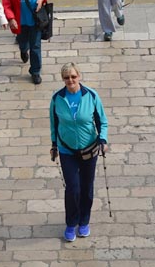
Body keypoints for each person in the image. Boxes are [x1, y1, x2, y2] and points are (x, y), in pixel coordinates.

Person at [50, 62, 108, 241]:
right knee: (73, 188)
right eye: (66, 77)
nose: (70, 80)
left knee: (86, 188)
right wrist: (54, 145)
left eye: (73, 77)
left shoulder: (91, 95)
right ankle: (70, 223)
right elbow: (54, 123)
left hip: (89, 149)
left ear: (79, 77)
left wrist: (103, 139)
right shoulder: (57, 98)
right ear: (63, 79)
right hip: (67, 150)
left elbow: (102, 121)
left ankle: (84, 221)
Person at [1, 0, 50, 85]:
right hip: (19, 20)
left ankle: (35, 71)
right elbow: (6, 0)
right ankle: (23, 50)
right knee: (23, 42)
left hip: (35, 19)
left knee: (35, 45)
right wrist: (10, 18)